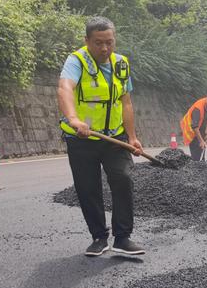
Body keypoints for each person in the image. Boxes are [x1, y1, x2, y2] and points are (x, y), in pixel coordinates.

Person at [57, 16, 145, 257]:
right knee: (88, 188)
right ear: (87, 41)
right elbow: (65, 88)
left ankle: (122, 237)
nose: (105, 48)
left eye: (109, 42)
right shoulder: (77, 61)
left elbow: (126, 102)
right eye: (98, 43)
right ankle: (98, 237)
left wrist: (132, 137)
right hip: (82, 138)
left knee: (123, 179)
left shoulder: (121, 64)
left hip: (114, 138)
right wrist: (73, 119)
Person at [180, 91, 207, 161]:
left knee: (200, 150)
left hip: (201, 129)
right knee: (196, 153)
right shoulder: (198, 108)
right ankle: (194, 165)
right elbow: (194, 127)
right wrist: (201, 141)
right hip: (191, 130)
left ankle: (197, 162)